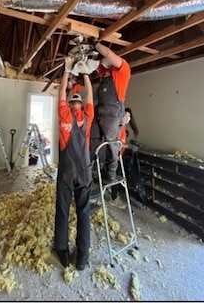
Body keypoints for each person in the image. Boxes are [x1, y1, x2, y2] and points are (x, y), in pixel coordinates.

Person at [54, 64, 94, 271]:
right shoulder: (87, 118)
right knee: (83, 211)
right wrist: (86, 74)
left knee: (62, 209)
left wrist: (67, 71)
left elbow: (61, 91)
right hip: (85, 171)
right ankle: (82, 257)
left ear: (69, 104)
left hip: (67, 170)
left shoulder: (64, 115)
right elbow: (90, 96)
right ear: (81, 105)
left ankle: (62, 250)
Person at [90, 40, 131, 182]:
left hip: (113, 111)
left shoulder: (123, 69)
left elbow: (107, 53)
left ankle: (111, 171)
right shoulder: (105, 73)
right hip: (100, 109)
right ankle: (92, 168)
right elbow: (95, 67)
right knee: (93, 139)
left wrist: (96, 44)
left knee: (111, 143)